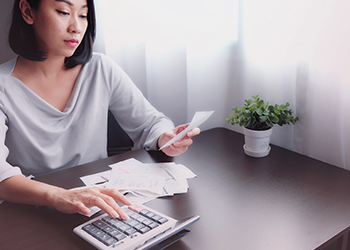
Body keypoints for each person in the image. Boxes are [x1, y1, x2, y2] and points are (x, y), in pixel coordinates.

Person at [0, 0, 200, 220]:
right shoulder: (3, 86)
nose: (76, 26)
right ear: (28, 12)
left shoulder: (100, 68)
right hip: (34, 211)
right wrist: (61, 196)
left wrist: (166, 138)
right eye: (64, 12)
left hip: (99, 205)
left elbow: (149, 123)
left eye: (83, 15)